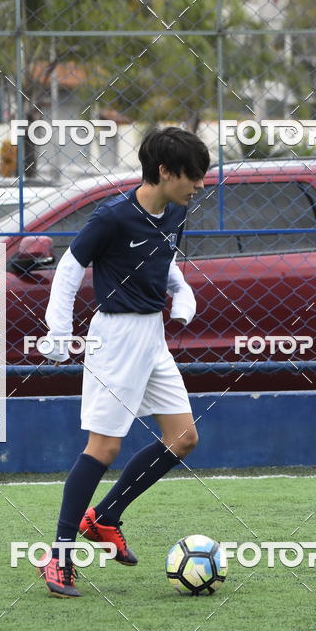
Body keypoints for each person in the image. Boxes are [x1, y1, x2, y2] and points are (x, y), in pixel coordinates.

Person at [37, 126, 210, 597]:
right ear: (164, 172)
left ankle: (107, 515)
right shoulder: (111, 217)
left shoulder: (176, 211)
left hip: (152, 338)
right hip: (114, 339)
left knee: (183, 438)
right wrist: (59, 330)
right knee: (104, 449)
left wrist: (182, 291)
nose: (200, 185)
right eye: (193, 176)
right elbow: (69, 269)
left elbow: (164, 259)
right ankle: (58, 557)